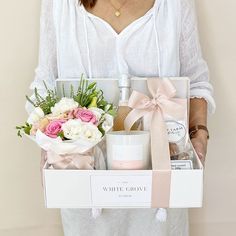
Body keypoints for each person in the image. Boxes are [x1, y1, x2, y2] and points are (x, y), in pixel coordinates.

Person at [26, 0, 215, 235]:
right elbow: (44, 83)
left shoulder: (174, 4)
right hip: (84, 185)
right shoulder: (59, 5)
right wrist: (49, 140)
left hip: (160, 188)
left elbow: (195, 80)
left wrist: (199, 134)